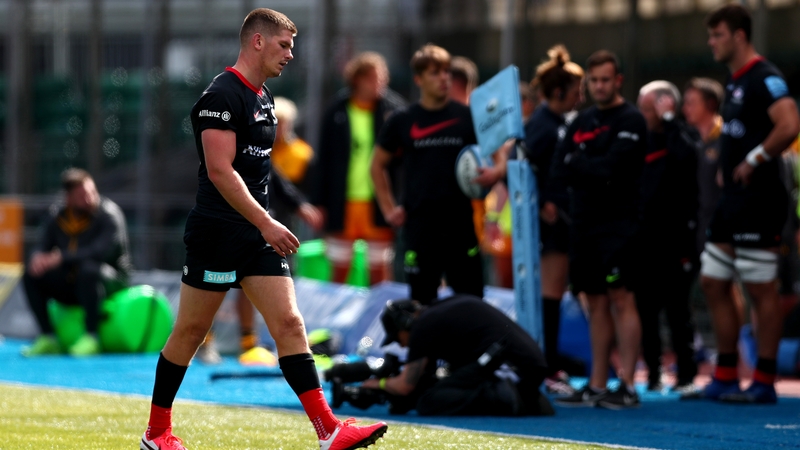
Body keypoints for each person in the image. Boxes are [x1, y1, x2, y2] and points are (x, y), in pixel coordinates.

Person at [139, 9, 387, 450]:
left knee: (290, 323)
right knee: (191, 332)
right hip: (216, 235)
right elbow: (219, 171)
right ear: (257, 41)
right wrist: (268, 221)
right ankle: (157, 434)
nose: (291, 54)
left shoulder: (264, 97)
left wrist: (279, 214)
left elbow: (260, 168)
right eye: (284, 45)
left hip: (255, 238)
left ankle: (328, 430)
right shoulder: (221, 94)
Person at [683, 4, 800, 404]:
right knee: (713, 280)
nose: (711, 42)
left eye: (718, 35)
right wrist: (728, 165)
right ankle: (726, 372)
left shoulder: (765, 78)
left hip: (761, 201)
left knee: (760, 288)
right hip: (731, 201)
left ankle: (764, 382)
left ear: (739, 35)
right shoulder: (734, 83)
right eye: (710, 35)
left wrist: (753, 159)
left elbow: (789, 124)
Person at [550, 50, 647, 410]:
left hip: (620, 224)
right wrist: (587, 167)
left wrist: (583, 164)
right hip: (584, 224)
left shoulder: (632, 119)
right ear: (586, 83)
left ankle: (628, 385)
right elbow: (561, 169)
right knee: (595, 303)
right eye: (594, 80)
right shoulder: (581, 121)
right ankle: (596, 384)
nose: (600, 86)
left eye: (606, 79)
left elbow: (612, 170)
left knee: (622, 298)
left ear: (618, 80)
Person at [371, 44, 484, 304]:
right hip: (420, 228)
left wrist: (494, 171)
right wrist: (389, 209)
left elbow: (494, 154)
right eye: (435, 73)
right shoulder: (403, 120)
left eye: (446, 72)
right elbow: (376, 165)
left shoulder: (466, 117)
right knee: (422, 304)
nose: (443, 77)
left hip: (461, 226)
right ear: (419, 79)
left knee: (471, 302)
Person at [332, 295, 553, 416]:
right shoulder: (437, 313)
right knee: (440, 383)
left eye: (397, 338)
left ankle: (509, 398)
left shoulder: (422, 327)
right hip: (522, 367)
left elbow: (405, 386)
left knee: (429, 401)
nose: (401, 344)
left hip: (515, 372)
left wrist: (377, 384)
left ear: (404, 324)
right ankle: (515, 396)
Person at [520, 45, 585, 395]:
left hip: (565, 220)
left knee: (557, 292)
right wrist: (544, 201)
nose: (582, 96)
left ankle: (550, 363)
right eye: (578, 89)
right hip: (552, 225)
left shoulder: (560, 124)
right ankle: (545, 366)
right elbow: (524, 168)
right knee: (551, 293)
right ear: (560, 91)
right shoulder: (544, 126)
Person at [311, 51, 405, 285]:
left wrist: (401, 200)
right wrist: (319, 203)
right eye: (373, 78)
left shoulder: (394, 111)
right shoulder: (336, 111)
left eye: (382, 77)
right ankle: (335, 320)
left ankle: (379, 320)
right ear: (357, 79)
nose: (379, 83)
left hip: (380, 204)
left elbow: (404, 161)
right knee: (340, 270)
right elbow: (323, 160)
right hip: (343, 203)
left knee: (380, 271)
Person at [21, 168, 131, 357]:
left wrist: (62, 257)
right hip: (74, 281)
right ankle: (48, 337)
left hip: (110, 280)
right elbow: (42, 245)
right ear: (69, 198)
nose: (89, 199)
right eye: (81, 196)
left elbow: (99, 253)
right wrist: (37, 258)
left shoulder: (110, 215)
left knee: (88, 269)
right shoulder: (58, 216)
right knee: (31, 274)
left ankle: (92, 337)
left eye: (91, 192)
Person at [635, 80, 701, 392]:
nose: (643, 115)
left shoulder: (682, 135)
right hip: (644, 240)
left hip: (676, 240)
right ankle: (653, 372)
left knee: (678, 311)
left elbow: (686, 158)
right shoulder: (639, 140)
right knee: (646, 311)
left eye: (649, 109)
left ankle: (686, 375)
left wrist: (670, 121)